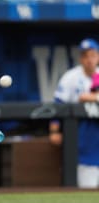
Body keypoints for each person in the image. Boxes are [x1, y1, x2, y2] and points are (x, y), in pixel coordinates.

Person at [49, 38, 99, 188]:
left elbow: (85, 97)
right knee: (86, 189)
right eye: (85, 56)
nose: (89, 59)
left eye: (92, 55)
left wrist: (92, 97)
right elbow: (58, 104)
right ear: (81, 58)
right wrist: (54, 130)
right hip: (82, 140)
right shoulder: (71, 77)